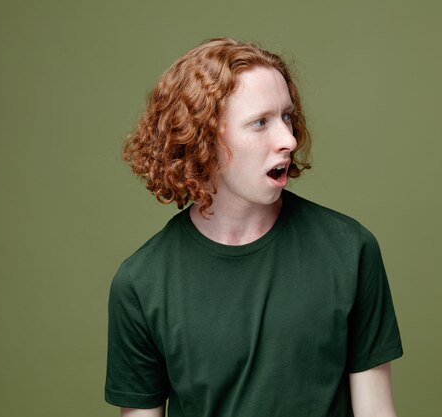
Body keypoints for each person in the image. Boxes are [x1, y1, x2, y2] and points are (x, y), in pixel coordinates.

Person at [105, 37, 403, 417]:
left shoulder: (351, 249)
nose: (289, 139)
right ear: (201, 139)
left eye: (287, 117)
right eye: (260, 122)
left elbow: (376, 410)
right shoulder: (141, 283)